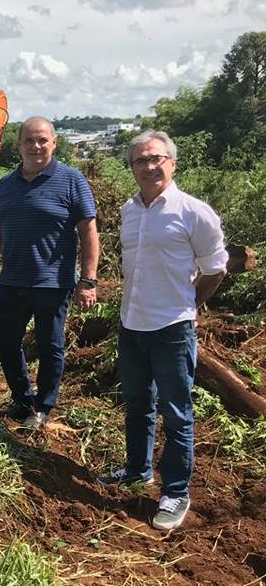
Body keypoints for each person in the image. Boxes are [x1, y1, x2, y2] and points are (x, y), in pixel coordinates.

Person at [99, 130, 227, 532]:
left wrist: (190, 303)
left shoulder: (193, 212)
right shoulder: (129, 210)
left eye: (156, 159)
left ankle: (175, 491)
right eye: (140, 161)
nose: (149, 166)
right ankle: (138, 469)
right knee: (138, 403)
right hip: (131, 324)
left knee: (176, 412)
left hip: (172, 327)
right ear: (132, 168)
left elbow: (216, 267)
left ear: (172, 162)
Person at [0, 117, 99, 429]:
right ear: (18, 145)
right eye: (29, 141)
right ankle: (23, 399)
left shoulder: (71, 180)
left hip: (53, 283)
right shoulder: (5, 186)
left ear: (54, 143)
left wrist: (88, 280)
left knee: (50, 346)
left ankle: (44, 406)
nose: (36, 146)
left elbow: (89, 232)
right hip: (12, 282)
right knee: (5, 341)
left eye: (42, 140)